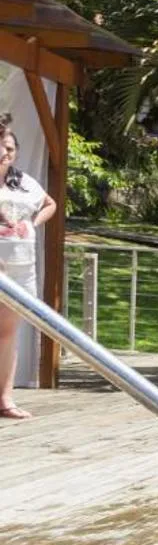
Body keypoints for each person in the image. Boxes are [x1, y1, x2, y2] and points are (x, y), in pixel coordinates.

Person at [0, 113, 54, 420]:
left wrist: (30, 224)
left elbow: (50, 203)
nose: (6, 153)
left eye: (11, 148)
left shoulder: (23, 182)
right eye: (1, 146)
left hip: (20, 265)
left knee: (8, 334)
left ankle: (5, 399)